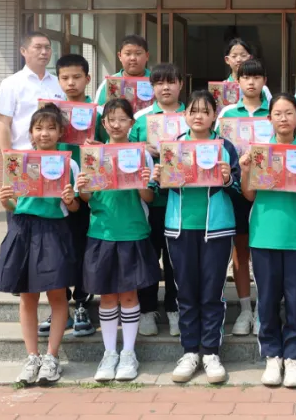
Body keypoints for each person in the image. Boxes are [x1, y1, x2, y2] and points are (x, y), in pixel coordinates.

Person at [239, 93, 296, 389]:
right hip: (264, 234)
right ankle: (272, 355)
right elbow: (249, 194)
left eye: (289, 113)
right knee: (267, 298)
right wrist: (246, 170)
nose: (284, 118)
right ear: (270, 118)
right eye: (278, 113)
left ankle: (294, 356)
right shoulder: (260, 153)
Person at [77, 98, 160, 383]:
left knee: (129, 295)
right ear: (103, 124)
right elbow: (87, 198)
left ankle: (128, 353)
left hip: (133, 231)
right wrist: (83, 188)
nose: (116, 124)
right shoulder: (92, 155)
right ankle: (109, 352)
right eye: (111, 119)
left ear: (131, 124)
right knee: (108, 296)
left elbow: (149, 197)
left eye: (122, 119)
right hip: (102, 231)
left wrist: (143, 183)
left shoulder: (141, 154)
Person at [0, 106, 79, 386]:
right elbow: (13, 204)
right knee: (27, 296)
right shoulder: (18, 162)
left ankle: (51, 358)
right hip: (23, 230)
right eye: (39, 128)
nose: (45, 133)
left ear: (60, 132)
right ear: (30, 133)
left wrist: (70, 200)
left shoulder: (69, 164)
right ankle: (32, 357)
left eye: (51, 128)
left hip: (54, 230)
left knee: (57, 295)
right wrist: (4, 199)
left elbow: (75, 207)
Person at [163, 90, 241, 385]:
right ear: (185, 115)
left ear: (214, 116)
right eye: (193, 111)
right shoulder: (173, 147)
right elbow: (160, 188)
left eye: (205, 111)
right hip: (180, 227)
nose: (198, 116)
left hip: (216, 228)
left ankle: (210, 351)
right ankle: (189, 351)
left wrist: (228, 177)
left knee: (212, 292)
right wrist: (159, 176)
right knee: (185, 291)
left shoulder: (225, 147)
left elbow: (239, 187)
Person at [36, 54, 96, 339]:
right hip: (55, 193)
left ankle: (82, 304)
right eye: (65, 78)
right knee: (59, 251)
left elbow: (110, 146)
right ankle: (59, 306)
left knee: (84, 247)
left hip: (86, 190)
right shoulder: (51, 112)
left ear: (87, 78)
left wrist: (96, 146)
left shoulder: (97, 112)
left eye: (77, 77)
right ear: (58, 80)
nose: (71, 82)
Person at [129, 63, 184, 337]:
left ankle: (174, 309)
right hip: (147, 203)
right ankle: (147, 310)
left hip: (180, 201)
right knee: (149, 257)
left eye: (171, 82)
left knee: (175, 260)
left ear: (180, 85)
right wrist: (142, 148)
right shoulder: (141, 119)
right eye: (160, 83)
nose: (165, 87)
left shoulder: (190, 115)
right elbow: (125, 152)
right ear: (152, 87)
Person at [217, 58, 270, 337]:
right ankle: (245, 308)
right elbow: (218, 149)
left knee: (263, 250)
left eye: (256, 77)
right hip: (237, 189)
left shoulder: (273, 111)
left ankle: (263, 308)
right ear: (237, 82)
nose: (251, 82)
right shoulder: (227, 113)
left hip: (268, 190)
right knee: (240, 250)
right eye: (246, 77)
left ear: (264, 81)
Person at [0, 32, 66, 153]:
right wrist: (8, 158)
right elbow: (3, 123)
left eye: (47, 47)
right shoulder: (11, 83)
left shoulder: (59, 83)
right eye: (38, 47)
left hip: (54, 157)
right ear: (23, 51)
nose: (44, 52)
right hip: (23, 155)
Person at [94, 34, 152, 112]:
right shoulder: (111, 83)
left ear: (147, 56)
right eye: (128, 54)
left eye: (138, 53)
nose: (133, 58)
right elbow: (97, 112)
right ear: (119, 56)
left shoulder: (156, 81)